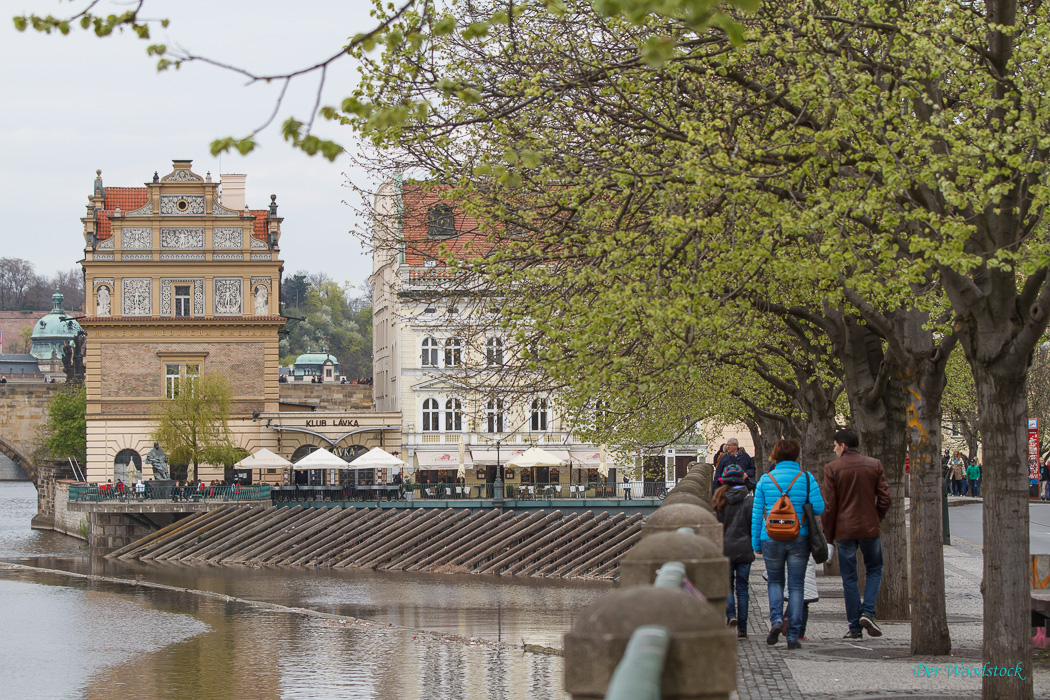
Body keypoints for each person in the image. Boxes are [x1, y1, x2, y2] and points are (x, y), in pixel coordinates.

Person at [751, 438, 824, 650]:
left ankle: (775, 620)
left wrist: (756, 542)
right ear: (797, 455)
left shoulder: (765, 480)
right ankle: (793, 635)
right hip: (798, 536)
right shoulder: (807, 478)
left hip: (770, 537)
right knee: (796, 586)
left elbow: (757, 514)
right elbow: (818, 508)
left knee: (774, 582)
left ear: (775, 455)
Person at [822, 428, 892, 640]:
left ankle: (854, 627)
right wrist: (875, 517)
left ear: (843, 446)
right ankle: (868, 611)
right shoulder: (874, 464)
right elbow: (886, 499)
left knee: (849, 578)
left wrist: (828, 537)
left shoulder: (832, 468)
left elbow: (829, 507)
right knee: (874, 570)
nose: (834, 450)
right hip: (870, 528)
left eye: (835, 446)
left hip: (845, 531)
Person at [713, 463, 754, 639]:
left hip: (725, 548)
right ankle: (743, 629)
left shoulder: (719, 498)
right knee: (743, 588)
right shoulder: (749, 500)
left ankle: (731, 615)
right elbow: (752, 526)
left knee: (727, 585)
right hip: (744, 548)